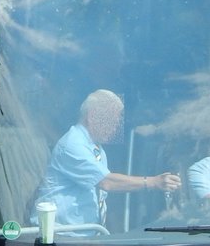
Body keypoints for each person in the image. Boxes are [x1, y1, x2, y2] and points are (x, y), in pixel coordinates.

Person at [34, 89, 181, 227]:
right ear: (92, 117)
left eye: (117, 123)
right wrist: (153, 182)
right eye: (111, 121)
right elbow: (107, 182)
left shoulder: (96, 149)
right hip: (59, 237)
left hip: (84, 235)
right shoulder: (73, 145)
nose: (115, 128)